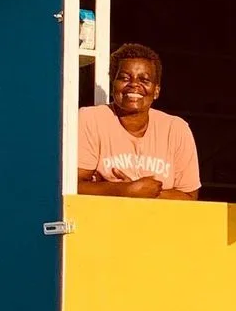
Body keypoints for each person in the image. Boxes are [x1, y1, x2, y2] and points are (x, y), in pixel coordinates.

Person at [78, 43, 201, 200]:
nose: (134, 84)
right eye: (124, 78)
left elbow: (189, 196)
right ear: (113, 84)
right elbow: (74, 185)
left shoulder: (176, 129)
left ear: (156, 91)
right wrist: (125, 190)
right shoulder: (90, 119)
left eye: (144, 79)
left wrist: (144, 194)